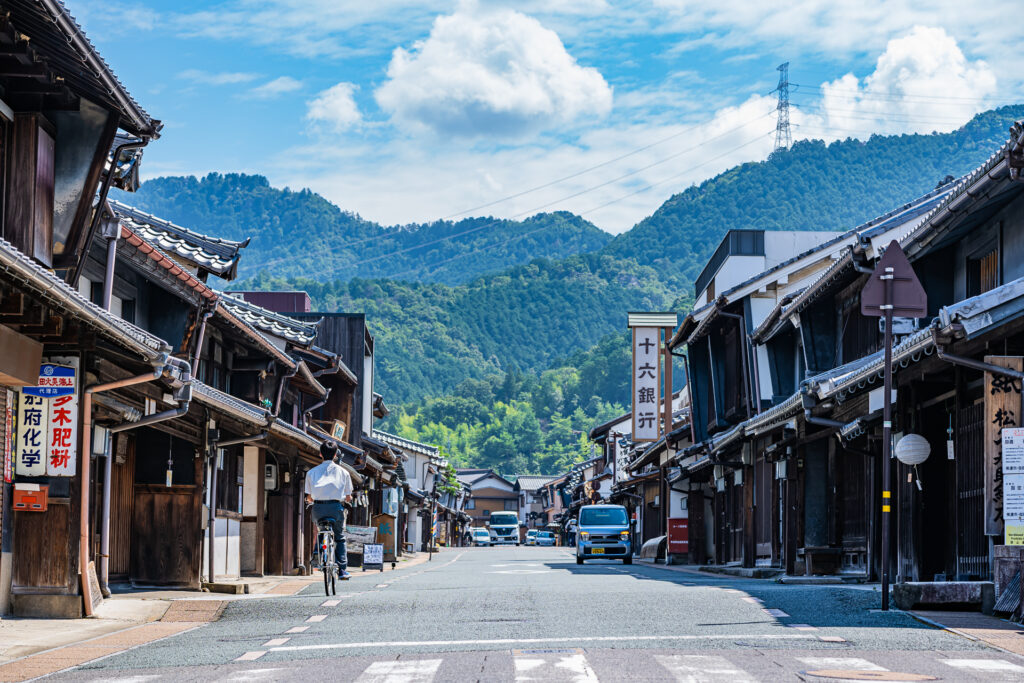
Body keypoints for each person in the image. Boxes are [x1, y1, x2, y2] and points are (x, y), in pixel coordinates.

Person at [305, 439, 353, 579]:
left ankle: (317, 554)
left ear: (320, 454)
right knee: (339, 537)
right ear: (335, 455)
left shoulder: (311, 473)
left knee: (320, 528)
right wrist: (346, 499)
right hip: (335, 508)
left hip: (318, 508)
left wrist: (311, 499)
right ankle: (342, 569)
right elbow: (348, 496)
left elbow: (309, 497)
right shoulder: (344, 472)